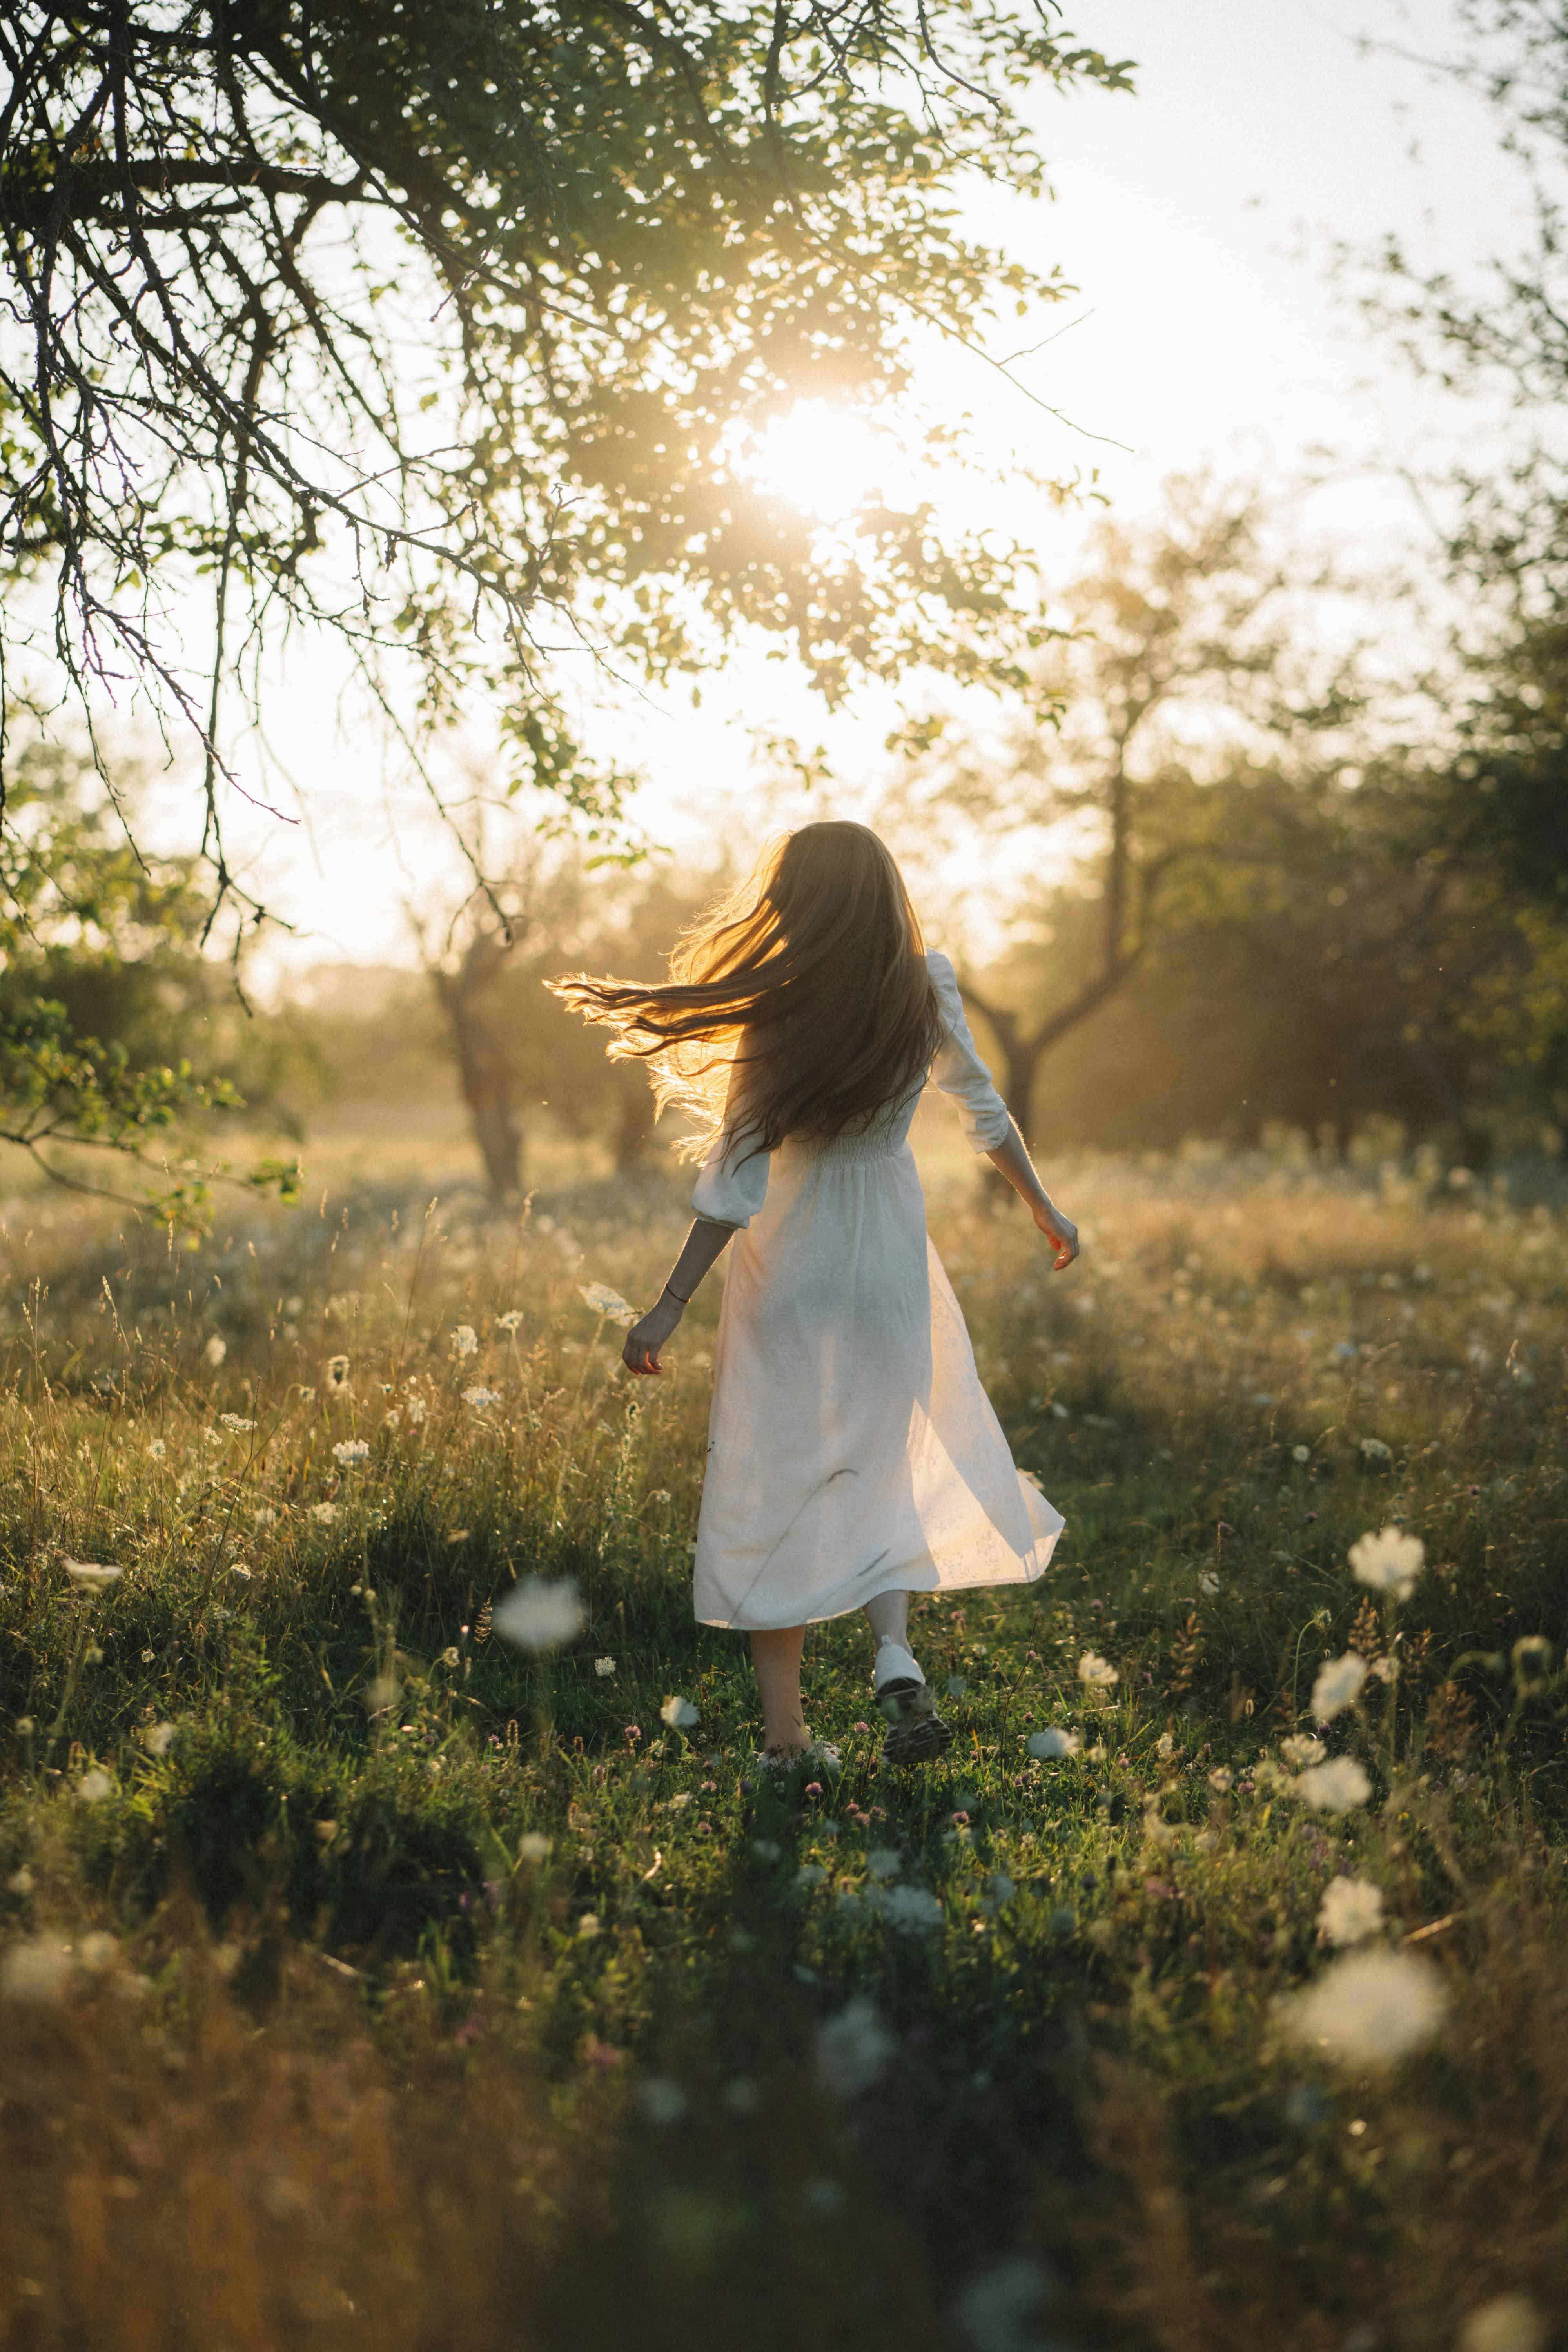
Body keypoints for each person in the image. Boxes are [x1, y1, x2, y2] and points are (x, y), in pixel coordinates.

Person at [550, 821, 1078, 1773]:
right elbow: (984, 1115)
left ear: (793, 903)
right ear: (884, 897)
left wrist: (668, 1304)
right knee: (885, 1463)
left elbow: (737, 1171)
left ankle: (788, 1743)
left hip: (791, 1270)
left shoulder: (775, 1010)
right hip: (885, 1265)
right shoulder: (926, 988)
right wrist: (1043, 1208)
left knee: (777, 1479)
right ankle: (891, 1651)